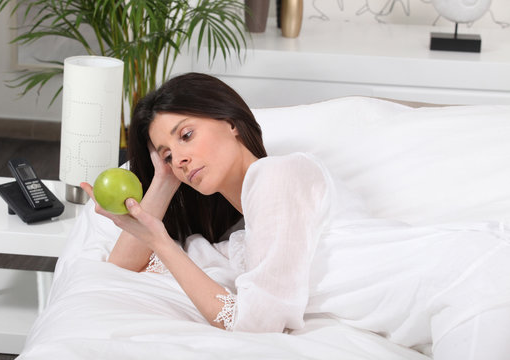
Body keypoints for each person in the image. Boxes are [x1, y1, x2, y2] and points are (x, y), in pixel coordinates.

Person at [81, 72, 510, 360]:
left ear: (230, 121)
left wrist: (160, 240)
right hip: (454, 294)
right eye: (169, 154)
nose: (182, 158)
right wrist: (163, 181)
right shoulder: (245, 245)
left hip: (469, 276)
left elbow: (258, 323)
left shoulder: (279, 176)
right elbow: (122, 267)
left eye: (187, 135)